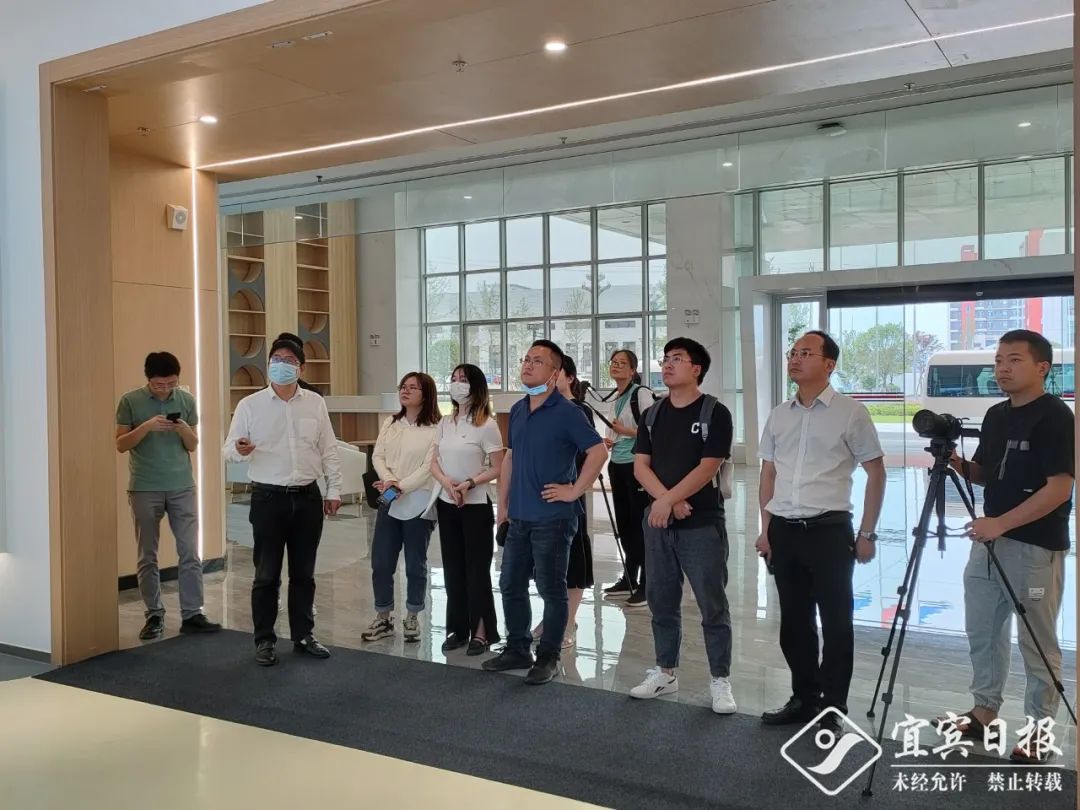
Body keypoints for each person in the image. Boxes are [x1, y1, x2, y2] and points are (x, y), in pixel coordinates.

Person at [945, 329, 1073, 764]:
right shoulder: (996, 415)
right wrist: (956, 464)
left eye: (1014, 360)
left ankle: (1040, 728)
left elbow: (1059, 488)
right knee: (982, 631)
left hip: (1033, 547)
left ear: (1042, 367)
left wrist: (1000, 523)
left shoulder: (1056, 417)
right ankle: (984, 711)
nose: (1002, 368)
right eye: (999, 360)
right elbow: (986, 474)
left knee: (1036, 641)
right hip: (988, 542)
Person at [755, 330, 885, 733]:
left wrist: (867, 534)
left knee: (836, 622)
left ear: (829, 364)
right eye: (793, 352)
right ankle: (804, 697)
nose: (795, 359)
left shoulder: (851, 413)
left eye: (806, 353)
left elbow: (876, 472)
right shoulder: (779, 414)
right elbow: (768, 473)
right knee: (794, 623)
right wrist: (765, 529)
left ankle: (833, 706)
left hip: (829, 530)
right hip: (785, 530)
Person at [483, 340, 607, 685]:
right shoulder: (519, 409)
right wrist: (502, 505)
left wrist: (575, 490)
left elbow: (598, 452)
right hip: (519, 516)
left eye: (537, 361)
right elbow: (510, 457)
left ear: (554, 374)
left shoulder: (568, 412)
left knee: (551, 589)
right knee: (510, 583)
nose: (527, 364)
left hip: (553, 518)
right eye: (526, 359)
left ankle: (549, 655)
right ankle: (518, 648)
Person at [628, 337, 736, 715]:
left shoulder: (715, 413)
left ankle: (720, 679)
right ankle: (665, 671)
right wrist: (667, 502)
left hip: (702, 523)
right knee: (661, 600)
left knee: (712, 605)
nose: (668, 365)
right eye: (665, 359)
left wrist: (666, 501)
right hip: (659, 522)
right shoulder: (652, 414)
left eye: (677, 359)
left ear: (697, 369)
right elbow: (640, 466)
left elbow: (708, 468)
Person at [223, 334, 342, 666]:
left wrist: (334, 489)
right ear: (268, 365)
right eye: (276, 360)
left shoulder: (314, 403)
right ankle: (264, 639)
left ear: (301, 368)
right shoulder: (250, 405)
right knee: (266, 574)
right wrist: (240, 449)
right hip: (268, 498)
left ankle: (304, 634)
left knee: (304, 573)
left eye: (289, 361)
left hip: (307, 497)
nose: (281, 365)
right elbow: (228, 450)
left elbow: (329, 449)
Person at [116, 351, 221, 640]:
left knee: (190, 551)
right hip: (144, 487)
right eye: (159, 385)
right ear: (148, 380)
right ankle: (154, 614)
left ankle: (192, 614)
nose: (165, 389)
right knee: (147, 555)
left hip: (182, 486)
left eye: (171, 384)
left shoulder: (186, 400)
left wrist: (184, 428)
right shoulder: (130, 401)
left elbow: (192, 445)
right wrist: (147, 426)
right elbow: (121, 444)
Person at [361, 372, 440, 644]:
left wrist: (400, 487)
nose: (405, 391)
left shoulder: (436, 428)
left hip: (419, 502)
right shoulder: (391, 422)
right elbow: (378, 456)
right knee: (382, 562)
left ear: (426, 394)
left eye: (412, 387)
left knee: (415, 564)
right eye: (403, 387)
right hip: (389, 500)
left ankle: (413, 616)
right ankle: (383, 617)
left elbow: (429, 467)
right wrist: (389, 481)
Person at [430, 364, 503, 655]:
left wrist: (470, 483)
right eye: (453, 379)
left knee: (477, 571)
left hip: (475, 506)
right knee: (453, 570)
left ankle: (482, 632)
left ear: (476, 386)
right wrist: (446, 483)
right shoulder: (445, 422)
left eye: (463, 379)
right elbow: (433, 462)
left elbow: (497, 467)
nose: (457, 383)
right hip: (447, 503)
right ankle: (458, 629)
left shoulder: (487, 425)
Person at [531, 355, 594, 650]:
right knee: (547, 564)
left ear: (568, 377)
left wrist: (574, 488)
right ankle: (551, 618)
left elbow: (591, 454)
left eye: (555, 373)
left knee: (573, 560)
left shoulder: (578, 410)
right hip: (541, 499)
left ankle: (569, 622)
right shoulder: (537, 408)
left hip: (569, 497)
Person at [600, 349, 655, 609]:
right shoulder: (616, 397)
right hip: (617, 465)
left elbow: (652, 429)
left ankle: (647, 584)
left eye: (623, 363)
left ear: (633, 370)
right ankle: (629, 578)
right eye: (614, 362)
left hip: (637, 466)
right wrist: (612, 438)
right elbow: (618, 431)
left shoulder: (640, 394)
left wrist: (626, 431)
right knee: (624, 524)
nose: (616, 366)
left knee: (639, 524)